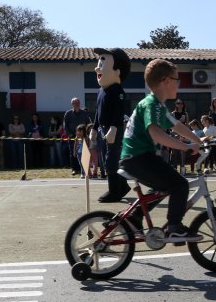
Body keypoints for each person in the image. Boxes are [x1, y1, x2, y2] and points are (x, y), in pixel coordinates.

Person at [119, 58, 204, 243]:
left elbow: (177, 126)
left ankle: (133, 218)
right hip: (138, 158)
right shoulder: (151, 104)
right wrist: (186, 147)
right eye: (177, 80)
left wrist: (199, 141)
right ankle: (174, 227)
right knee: (179, 185)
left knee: (163, 187)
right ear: (166, 81)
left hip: (137, 157)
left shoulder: (157, 105)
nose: (178, 84)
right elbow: (156, 134)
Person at [93, 47, 131, 202]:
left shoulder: (117, 90)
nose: (97, 67)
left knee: (111, 160)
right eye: (98, 63)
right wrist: (94, 127)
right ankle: (122, 186)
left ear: (117, 71)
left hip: (113, 129)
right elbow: (98, 111)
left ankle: (114, 190)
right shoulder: (101, 90)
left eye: (103, 63)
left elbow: (118, 111)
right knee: (105, 158)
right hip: (103, 129)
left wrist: (114, 128)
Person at [63, 97, 90, 175]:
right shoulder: (68, 113)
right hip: (72, 137)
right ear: (72, 104)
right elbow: (65, 125)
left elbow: (88, 123)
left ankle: (84, 169)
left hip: (83, 137)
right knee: (73, 153)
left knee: (84, 153)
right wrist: (70, 134)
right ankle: (74, 169)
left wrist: (87, 134)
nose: (77, 104)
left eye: (78, 102)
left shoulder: (84, 113)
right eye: (75, 103)